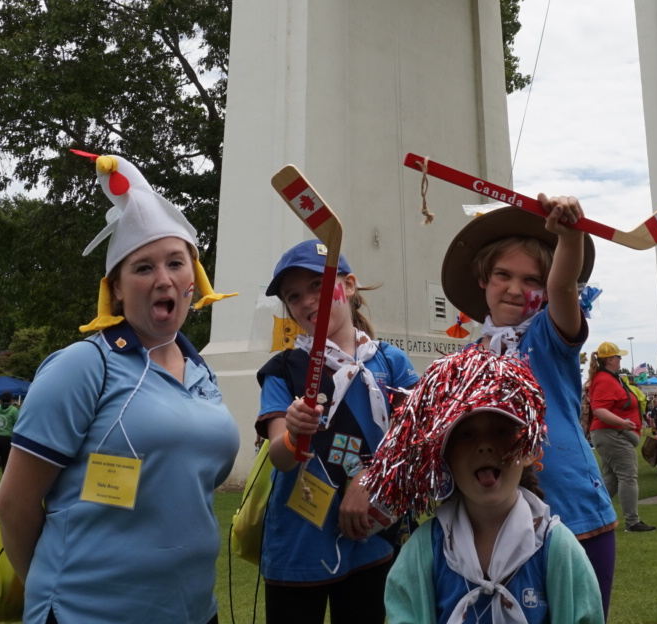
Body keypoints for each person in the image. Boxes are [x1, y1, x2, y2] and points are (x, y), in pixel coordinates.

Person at [0, 152, 238, 624]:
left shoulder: (202, 372)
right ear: (117, 289)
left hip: (192, 611)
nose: (164, 279)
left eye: (176, 263)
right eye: (143, 268)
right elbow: (13, 504)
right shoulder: (82, 366)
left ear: (193, 279)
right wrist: (55, 594)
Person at [440, 199, 620, 616]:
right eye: (503, 274)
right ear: (483, 280)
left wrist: (570, 238)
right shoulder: (464, 360)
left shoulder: (549, 334)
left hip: (574, 512)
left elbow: (563, 288)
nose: (516, 289)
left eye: (532, 279)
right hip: (496, 527)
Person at [365, 346, 605, 624]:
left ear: (528, 450)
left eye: (501, 431)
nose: (485, 445)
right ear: (444, 456)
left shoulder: (557, 548)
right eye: (467, 434)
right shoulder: (423, 552)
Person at [255, 240, 420, 624]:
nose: (307, 301)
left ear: (348, 286)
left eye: (318, 285)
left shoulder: (389, 361)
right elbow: (280, 458)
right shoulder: (283, 370)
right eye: (294, 296)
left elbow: (415, 440)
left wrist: (370, 479)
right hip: (299, 542)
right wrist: (294, 433)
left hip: (370, 537)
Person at [587, 342, 653, 534]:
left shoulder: (608, 378)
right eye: (618, 357)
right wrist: (622, 423)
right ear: (609, 360)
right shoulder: (605, 380)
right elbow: (599, 409)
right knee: (627, 477)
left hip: (610, 434)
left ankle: (592, 517)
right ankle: (632, 522)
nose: (620, 359)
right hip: (612, 434)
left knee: (612, 479)